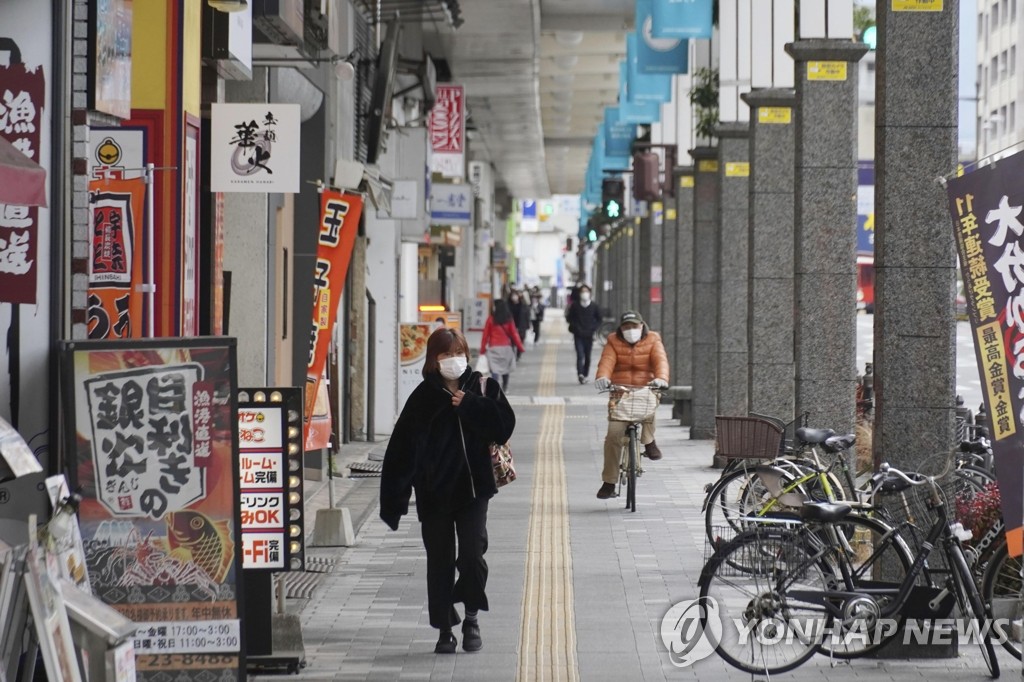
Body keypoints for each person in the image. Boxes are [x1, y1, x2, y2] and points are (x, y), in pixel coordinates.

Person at [380, 327, 516, 654]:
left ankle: (471, 617)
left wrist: (470, 405)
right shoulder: (423, 397)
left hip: (474, 491)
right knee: (438, 563)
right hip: (434, 494)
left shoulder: (483, 387)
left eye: (458, 354)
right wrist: (394, 501)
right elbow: (400, 451)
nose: (454, 361)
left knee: (471, 555)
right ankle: (444, 628)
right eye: (446, 355)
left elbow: (504, 426)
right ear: (433, 360)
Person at [594, 311, 670, 499]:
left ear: (642, 326)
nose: (631, 330)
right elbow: (606, 361)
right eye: (626, 327)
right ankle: (609, 481)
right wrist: (603, 377)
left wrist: (661, 378)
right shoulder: (613, 340)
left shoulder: (653, 339)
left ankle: (648, 441)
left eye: (634, 326)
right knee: (613, 435)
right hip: (621, 392)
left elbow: (661, 361)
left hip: (646, 388)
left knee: (650, 406)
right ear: (620, 328)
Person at [480, 299, 525, 391]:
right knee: (505, 369)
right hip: (506, 348)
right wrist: (520, 347)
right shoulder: (509, 319)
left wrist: (482, 349)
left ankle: (495, 388)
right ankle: (505, 387)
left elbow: (485, 335)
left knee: (494, 369)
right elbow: (514, 334)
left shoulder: (491, 319)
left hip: (494, 348)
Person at [564, 284, 603, 384]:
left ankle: (585, 374)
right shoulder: (575, 305)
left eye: (586, 291)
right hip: (578, 335)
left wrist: (593, 328)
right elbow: (569, 318)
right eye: (582, 291)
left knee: (588, 356)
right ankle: (580, 374)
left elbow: (599, 319)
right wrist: (575, 326)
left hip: (589, 335)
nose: (584, 293)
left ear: (590, 293)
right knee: (580, 355)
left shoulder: (594, 306)